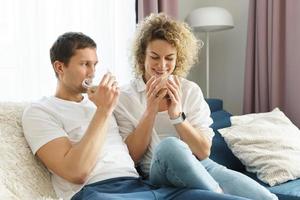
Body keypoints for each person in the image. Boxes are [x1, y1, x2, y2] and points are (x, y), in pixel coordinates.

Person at [22, 32, 251, 200]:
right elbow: (76, 172)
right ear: (60, 68)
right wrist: (103, 111)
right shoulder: (40, 112)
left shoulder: (102, 102)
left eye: (95, 64)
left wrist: (106, 107)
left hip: (141, 185)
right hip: (98, 192)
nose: (92, 73)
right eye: (84, 65)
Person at [114, 13, 278, 200]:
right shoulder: (124, 96)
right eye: (154, 57)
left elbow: (203, 151)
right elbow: (132, 157)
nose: (162, 65)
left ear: (178, 59)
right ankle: (219, 195)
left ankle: (216, 192)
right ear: (142, 56)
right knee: (170, 146)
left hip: (202, 165)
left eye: (169, 58)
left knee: (268, 198)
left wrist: (177, 116)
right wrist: (150, 110)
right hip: (155, 172)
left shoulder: (189, 90)